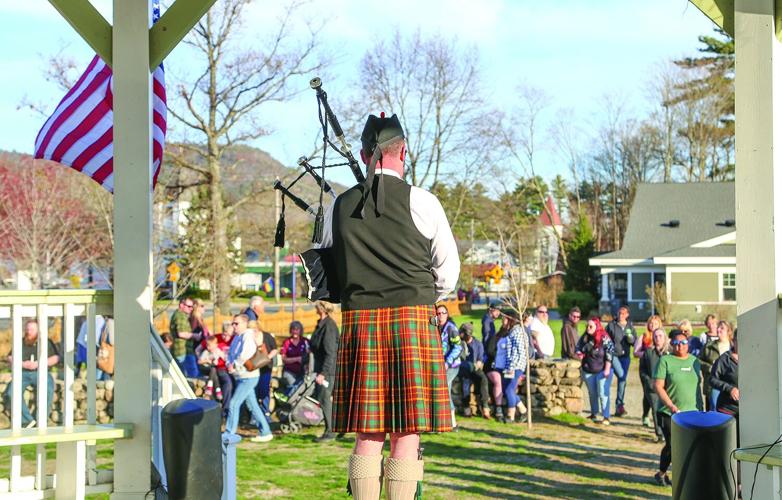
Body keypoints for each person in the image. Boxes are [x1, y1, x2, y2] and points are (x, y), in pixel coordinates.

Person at [319, 113, 459, 498]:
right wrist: (418, 296)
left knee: (368, 432)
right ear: (404, 152)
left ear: (365, 154)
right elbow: (447, 274)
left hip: (360, 323)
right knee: (406, 433)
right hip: (412, 322)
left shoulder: (339, 205)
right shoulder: (424, 202)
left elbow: (327, 268)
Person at [654, 329, 703, 486]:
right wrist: (671, 405)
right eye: (676, 343)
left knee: (690, 446)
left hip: (692, 412)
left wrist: (701, 409)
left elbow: (698, 387)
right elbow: (658, 386)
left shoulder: (695, 362)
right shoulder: (665, 361)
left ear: (688, 344)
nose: (679, 346)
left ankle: (677, 476)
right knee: (673, 445)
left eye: (683, 342)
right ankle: (667, 475)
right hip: (669, 413)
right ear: (671, 344)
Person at [225, 314, 273, 442]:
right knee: (253, 406)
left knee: (234, 404)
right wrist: (228, 363)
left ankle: (229, 433)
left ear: (244, 324)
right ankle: (266, 432)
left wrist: (234, 365)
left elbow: (245, 354)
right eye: (233, 323)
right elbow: (230, 353)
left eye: (236, 323)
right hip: (240, 376)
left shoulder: (248, 335)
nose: (234, 326)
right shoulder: (237, 337)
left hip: (249, 376)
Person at [4, 320, 60, 428]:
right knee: (11, 392)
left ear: (38, 330)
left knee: (48, 389)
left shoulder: (46, 342)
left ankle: (41, 420)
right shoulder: (20, 342)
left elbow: (56, 358)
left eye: (32, 329)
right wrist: (22, 364)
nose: (29, 331)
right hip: (23, 373)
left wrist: (39, 363)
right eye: (27, 329)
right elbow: (10, 357)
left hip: (41, 372)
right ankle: (27, 420)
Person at [310, 300, 340, 442]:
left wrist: (323, 373)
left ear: (322, 308)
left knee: (324, 398)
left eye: (317, 305)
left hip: (328, 370)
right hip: (323, 367)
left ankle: (330, 431)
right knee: (324, 398)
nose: (314, 307)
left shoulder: (328, 326)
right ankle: (336, 428)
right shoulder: (322, 324)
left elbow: (330, 352)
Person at [576, 317, 615, 425]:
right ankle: (594, 413)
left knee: (602, 392)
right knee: (592, 393)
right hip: (588, 369)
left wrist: (607, 369)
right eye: (587, 326)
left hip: (603, 370)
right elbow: (578, 347)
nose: (588, 328)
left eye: (591, 326)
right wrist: (579, 353)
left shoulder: (604, 337)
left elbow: (610, 352)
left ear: (597, 327)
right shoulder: (585, 337)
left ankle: (606, 417)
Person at [495, 310, 528, 423]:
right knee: (507, 389)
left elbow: (518, 352)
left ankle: (511, 416)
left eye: (503, 318)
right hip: (510, 366)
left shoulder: (518, 332)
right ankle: (523, 411)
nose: (502, 321)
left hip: (515, 366)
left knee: (509, 389)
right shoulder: (512, 331)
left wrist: (512, 368)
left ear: (510, 319)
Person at [606, 305, 637, 417]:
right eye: (619, 313)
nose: (621, 315)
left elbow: (634, 342)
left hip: (625, 357)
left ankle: (619, 406)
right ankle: (616, 405)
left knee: (622, 380)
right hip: (614, 356)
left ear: (627, 315)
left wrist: (630, 338)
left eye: (623, 313)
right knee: (621, 375)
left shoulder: (630, 326)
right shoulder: (611, 325)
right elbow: (605, 339)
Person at [639, 327, 669, 442]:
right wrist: (648, 382)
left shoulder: (670, 352)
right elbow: (642, 370)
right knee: (656, 409)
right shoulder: (648, 352)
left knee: (668, 410)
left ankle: (669, 432)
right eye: (655, 336)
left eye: (660, 336)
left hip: (668, 387)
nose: (658, 338)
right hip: (653, 387)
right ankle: (660, 434)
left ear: (665, 337)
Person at [634, 314, 662, 427]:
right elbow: (635, 352)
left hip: (659, 366)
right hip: (646, 366)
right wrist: (646, 354)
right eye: (651, 323)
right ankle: (646, 415)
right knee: (648, 392)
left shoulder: (662, 336)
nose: (653, 325)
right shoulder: (644, 336)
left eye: (655, 323)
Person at [459, 323, 491, 419]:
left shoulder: (477, 344)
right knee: (465, 381)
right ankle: (466, 408)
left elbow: (480, 359)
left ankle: (485, 407)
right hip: (463, 369)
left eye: (462, 333)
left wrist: (479, 363)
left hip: (475, 368)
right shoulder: (460, 343)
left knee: (483, 379)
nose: (460, 334)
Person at [437, 304, 462, 429]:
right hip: (440, 366)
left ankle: (452, 422)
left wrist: (448, 362)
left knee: (444, 390)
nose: (441, 315)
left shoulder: (451, 328)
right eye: (438, 313)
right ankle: (447, 422)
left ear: (447, 314)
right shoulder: (436, 327)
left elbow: (458, 347)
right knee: (443, 391)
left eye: (443, 313)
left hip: (452, 366)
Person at [699, 320, 733, 411]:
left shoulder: (734, 346)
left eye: (722, 328)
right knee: (713, 411)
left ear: (729, 331)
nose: (718, 330)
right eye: (718, 327)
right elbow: (698, 361)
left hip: (731, 385)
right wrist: (709, 368)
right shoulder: (708, 346)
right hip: (713, 385)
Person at [170, 297, 201, 378]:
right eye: (189, 306)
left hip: (182, 351)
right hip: (182, 351)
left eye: (192, 307)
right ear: (181, 305)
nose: (191, 309)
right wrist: (195, 335)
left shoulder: (180, 315)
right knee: (192, 375)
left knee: (185, 375)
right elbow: (181, 333)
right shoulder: (180, 316)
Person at [280, 320, 310, 393]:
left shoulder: (305, 341)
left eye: (297, 329)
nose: (295, 331)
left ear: (300, 330)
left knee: (302, 390)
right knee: (293, 389)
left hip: (303, 372)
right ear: (290, 330)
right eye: (293, 329)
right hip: (289, 371)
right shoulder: (286, 342)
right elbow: (283, 359)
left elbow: (310, 356)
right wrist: (297, 359)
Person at [197, 336, 224, 400]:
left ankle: (216, 390)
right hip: (205, 368)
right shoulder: (206, 352)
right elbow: (199, 362)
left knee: (214, 373)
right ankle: (213, 389)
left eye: (210, 346)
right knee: (213, 369)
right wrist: (207, 361)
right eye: (207, 346)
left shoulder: (217, 351)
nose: (208, 347)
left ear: (216, 345)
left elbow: (224, 357)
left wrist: (218, 361)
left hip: (212, 369)